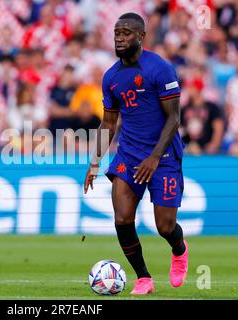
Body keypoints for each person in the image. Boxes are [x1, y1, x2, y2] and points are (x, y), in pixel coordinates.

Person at [83, 13, 188, 295]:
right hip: (128, 154)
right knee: (122, 219)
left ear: (141, 36)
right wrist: (95, 161)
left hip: (162, 157)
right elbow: (108, 122)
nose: (119, 37)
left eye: (126, 32)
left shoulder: (160, 69)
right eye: (117, 32)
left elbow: (174, 119)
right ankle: (143, 277)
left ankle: (179, 249)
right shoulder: (111, 77)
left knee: (165, 227)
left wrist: (154, 157)